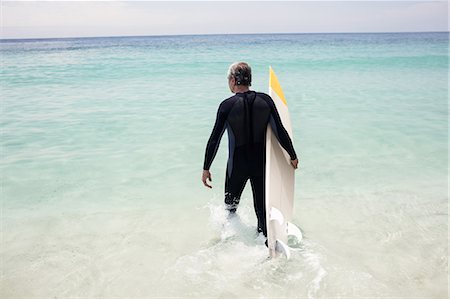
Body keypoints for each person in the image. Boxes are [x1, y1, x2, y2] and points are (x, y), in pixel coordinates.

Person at [201, 62, 299, 237]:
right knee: (261, 211)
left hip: (236, 167)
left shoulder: (226, 106)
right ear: (249, 79)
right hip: (259, 166)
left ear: (233, 80)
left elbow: (214, 139)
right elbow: (280, 131)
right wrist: (292, 155)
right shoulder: (265, 101)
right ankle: (265, 243)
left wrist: (206, 167)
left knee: (230, 209)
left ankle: (229, 242)